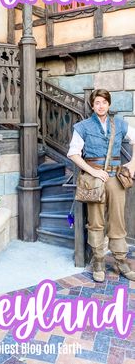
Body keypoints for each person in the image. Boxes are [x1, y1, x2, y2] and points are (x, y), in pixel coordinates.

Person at [67, 89, 135, 282]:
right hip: (93, 179)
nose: (101, 105)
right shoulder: (82, 126)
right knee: (96, 221)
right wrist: (93, 171)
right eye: (97, 102)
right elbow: (73, 154)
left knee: (118, 220)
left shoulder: (119, 124)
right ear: (92, 105)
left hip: (116, 178)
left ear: (109, 105)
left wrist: (133, 163)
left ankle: (121, 261)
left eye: (104, 102)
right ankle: (98, 261)